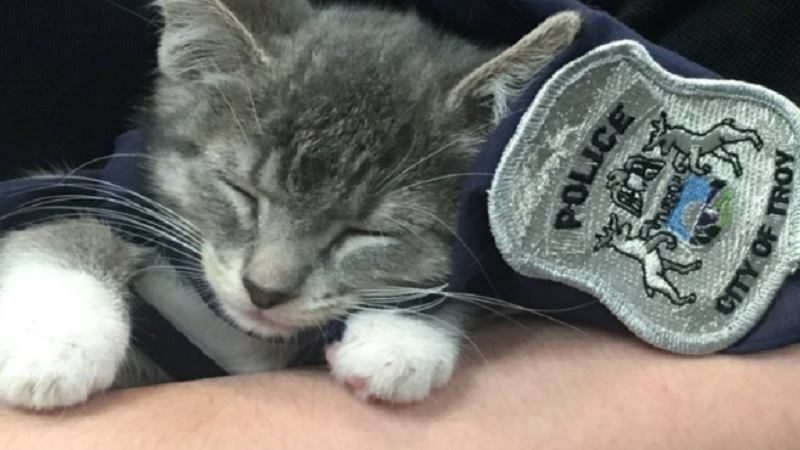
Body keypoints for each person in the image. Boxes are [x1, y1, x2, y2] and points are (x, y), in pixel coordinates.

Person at [1, 1, 799, 448]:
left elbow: (485, 257)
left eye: (359, 234)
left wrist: (428, 313)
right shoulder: (177, 136)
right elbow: (70, 219)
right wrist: (66, 295)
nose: (268, 277)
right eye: (242, 197)